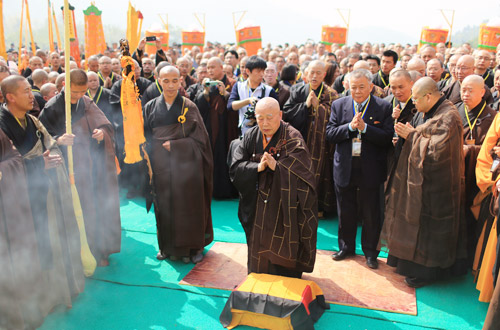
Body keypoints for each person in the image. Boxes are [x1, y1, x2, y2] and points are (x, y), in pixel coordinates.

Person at [0, 75, 85, 325]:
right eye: (26, 91)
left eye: (31, 90)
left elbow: (50, 146)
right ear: (10, 97)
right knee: (27, 249)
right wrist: (40, 163)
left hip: (41, 193)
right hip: (15, 201)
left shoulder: (33, 120)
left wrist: (52, 155)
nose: (32, 95)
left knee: (47, 242)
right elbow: (9, 165)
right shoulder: (3, 125)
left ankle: (51, 295)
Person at [382, 77, 467, 288]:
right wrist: (407, 136)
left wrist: (412, 136)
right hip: (424, 181)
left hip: (439, 187)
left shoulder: (449, 116)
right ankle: (409, 265)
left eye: (416, 100)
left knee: (431, 229)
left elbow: (438, 151)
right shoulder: (430, 111)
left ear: (429, 96)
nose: (415, 105)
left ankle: (427, 273)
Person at [40, 69, 121, 267]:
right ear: (64, 87)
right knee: (77, 210)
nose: (78, 96)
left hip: (92, 166)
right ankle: (76, 254)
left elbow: (106, 125)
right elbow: (41, 138)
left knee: (97, 205)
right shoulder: (51, 108)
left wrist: (101, 133)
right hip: (69, 169)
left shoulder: (86, 102)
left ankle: (100, 249)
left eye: (81, 92)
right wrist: (58, 140)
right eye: (74, 92)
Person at [229, 97, 318, 278]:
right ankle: (258, 275)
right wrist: (257, 167)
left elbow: (305, 176)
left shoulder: (293, 138)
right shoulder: (251, 136)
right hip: (256, 203)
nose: (265, 123)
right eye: (260, 118)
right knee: (258, 243)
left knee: (283, 242)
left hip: (283, 204)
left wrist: (278, 168)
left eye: (270, 117)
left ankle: (286, 276)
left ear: (280, 115)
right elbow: (235, 167)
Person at [144, 66, 213, 263]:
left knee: (188, 206)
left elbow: (201, 141)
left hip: (187, 167)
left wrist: (177, 146)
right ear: (158, 81)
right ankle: (166, 247)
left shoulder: (189, 107)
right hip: (161, 165)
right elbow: (145, 137)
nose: (171, 85)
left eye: (175, 80)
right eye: (166, 81)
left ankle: (193, 249)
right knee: (164, 205)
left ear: (181, 80)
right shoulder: (150, 107)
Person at [326, 69, 394, 270]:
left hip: (370, 168)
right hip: (345, 166)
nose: (357, 91)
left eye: (361, 87)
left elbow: (387, 137)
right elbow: (330, 134)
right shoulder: (339, 105)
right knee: (345, 210)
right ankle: (345, 247)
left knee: (371, 213)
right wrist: (349, 128)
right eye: (353, 87)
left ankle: (371, 253)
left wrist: (365, 128)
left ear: (371, 87)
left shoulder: (383, 106)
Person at [283, 60, 338, 216]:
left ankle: (319, 206)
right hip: (301, 137)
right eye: (311, 72)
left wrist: (318, 108)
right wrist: (306, 106)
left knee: (320, 172)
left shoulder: (331, 93)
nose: (314, 76)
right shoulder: (297, 90)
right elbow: (287, 112)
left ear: (324, 75)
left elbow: (336, 116)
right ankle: (298, 204)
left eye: (318, 73)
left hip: (321, 144)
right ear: (306, 73)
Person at [456, 75, 497, 264]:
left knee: (474, 215)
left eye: (470, 90)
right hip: (457, 172)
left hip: (478, 174)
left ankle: (470, 258)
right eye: (463, 89)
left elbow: (493, 149)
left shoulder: (492, 115)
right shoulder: (455, 111)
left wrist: (470, 149)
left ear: (482, 92)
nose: (465, 94)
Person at [194, 57, 238, 199]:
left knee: (226, 157)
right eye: (208, 67)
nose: (210, 70)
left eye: (213, 67)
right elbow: (198, 107)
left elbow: (236, 105)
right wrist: (205, 93)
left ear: (221, 68)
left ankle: (228, 191)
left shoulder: (232, 84)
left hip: (227, 129)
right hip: (210, 129)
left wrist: (225, 94)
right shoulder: (206, 84)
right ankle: (211, 191)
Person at [227, 56, 278, 136]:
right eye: (258, 71)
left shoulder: (269, 90)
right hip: (243, 132)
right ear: (248, 71)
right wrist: (248, 101)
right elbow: (230, 106)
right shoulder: (239, 86)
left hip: (263, 133)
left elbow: (276, 112)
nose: (262, 74)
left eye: (263, 71)